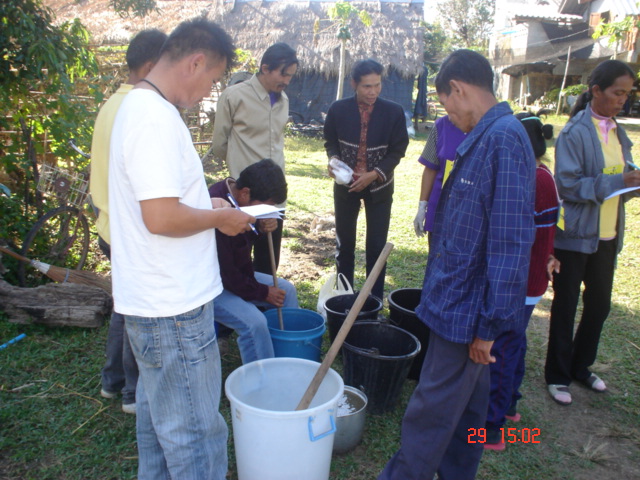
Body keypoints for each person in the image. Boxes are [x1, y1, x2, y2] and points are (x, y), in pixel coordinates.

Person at [378, 49, 536, 480]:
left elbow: (510, 243)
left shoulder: (503, 139)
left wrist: (489, 327)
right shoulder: (484, 137)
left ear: (459, 89)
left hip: (467, 314)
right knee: (470, 411)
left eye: (447, 106)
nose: (450, 117)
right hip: (455, 302)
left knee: (429, 411)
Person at [108, 18, 254, 480]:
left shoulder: (145, 108)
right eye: (213, 79)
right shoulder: (152, 117)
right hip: (172, 308)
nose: (209, 91)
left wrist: (206, 205)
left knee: (158, 428)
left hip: (159, 303)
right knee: (195, 435)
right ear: (195, 62)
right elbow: (161, 218)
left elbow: (163, 202)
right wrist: (219, 219)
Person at [545, 59, 640, 406]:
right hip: (574, 237)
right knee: (566, 306)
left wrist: (632, 183)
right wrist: (619, 181)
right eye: (617, 93)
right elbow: (568, 185)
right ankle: (557, 376)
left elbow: (620, 177)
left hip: (607, 235)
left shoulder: (618, 131)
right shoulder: (574, 133)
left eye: (628, 94)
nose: (623, 100)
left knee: (599, 306)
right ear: (596, 90)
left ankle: (580, 366)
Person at [91, 28, 168, 415]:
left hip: (108, 224)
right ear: (152, 66)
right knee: (138, 312)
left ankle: (112, 380)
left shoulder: (113, 103)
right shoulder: (140, 110)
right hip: (128, 231)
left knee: (125, 307)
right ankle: (133, 392)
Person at [484, 112, 559, 450]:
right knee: (515, 342)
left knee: (501, 349)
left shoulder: (534, 180)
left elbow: (523, 237)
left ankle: (491, 427)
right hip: (530, 279)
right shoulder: (542, 175)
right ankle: (511, 403)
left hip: (521, 281)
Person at [324, 59, 409, 301]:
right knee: (344, 246)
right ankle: (343, 299)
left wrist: (374, 174)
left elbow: (398, 150)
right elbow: (330, 141)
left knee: (376, 247)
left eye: (377, 85)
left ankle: (374, 301)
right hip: (346, 186)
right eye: (367, 86)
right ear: (354, 84)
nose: (373, 92)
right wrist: (334, 160)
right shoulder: (338, 110)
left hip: (380, 187)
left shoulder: (393, 112)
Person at [211, 42, 298, 275]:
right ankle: (244, 295)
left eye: (290, 76)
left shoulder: (283, 100)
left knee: (269, 259)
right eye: (283, 74)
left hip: (273, 193)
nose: (287, 81)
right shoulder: (234, 96)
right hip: (246, 195)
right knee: (238, 255)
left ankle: (264, 297)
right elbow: (219, 143)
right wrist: (240, 168)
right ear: (265, 68)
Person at [208, 158, 299, 364]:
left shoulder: (241, 200)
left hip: (236, 276)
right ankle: (263, 376)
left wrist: (260, 229)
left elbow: (241, 246)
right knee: (254, 323)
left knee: (287, 291)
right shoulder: (217, 206)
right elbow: (227, 273)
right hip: (212, 284)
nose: (268, 211)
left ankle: (289, 355)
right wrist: (262, 292)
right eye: (266, 206)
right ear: (245, 193)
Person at [412, 115, 466, 249]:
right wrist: (422, 207)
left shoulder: (488, 126)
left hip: (469, 210)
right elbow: (431, 167)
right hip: (440, 206)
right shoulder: (441, 125)